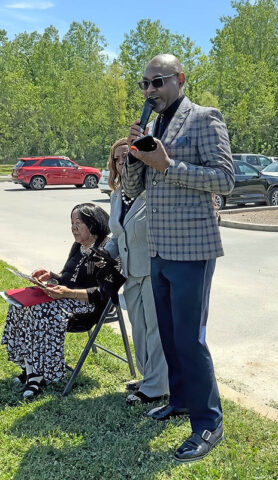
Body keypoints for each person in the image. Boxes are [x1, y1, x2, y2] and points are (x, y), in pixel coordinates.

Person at [122, 54, 235, 462]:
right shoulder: (152, 126)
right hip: (158, 248)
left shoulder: (205, 118)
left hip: (192, 248)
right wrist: (132, 157)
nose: (150, 90)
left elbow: (225, 180)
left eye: (158, 81)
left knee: (191, 337)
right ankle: (181, 400)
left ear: (180, 80)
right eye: (145, 84)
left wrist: (168, 165)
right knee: (170, 335)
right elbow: (136, 188)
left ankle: (209, 423)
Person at [1, 203, 111, 399]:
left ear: (93, 224)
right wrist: (51, 275)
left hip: (89, 305)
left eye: (78, 223)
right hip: (66, 297)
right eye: (71, 223)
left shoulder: (106, 249)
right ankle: (30, 366)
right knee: (19, 303)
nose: (73, 228)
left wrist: (68, 292)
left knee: (40, 311)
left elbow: (105, 291)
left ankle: (38, 376)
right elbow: (67, 275)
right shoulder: (78, 245)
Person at [103, 138, 169, 405]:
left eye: (126, 157)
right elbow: (118, 236)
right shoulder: (117, 195)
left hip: (153, 271)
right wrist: (103, 254)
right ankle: (149, 377)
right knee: (138, 329)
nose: (122, 162)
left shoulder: (149, 191)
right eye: (117, 159)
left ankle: (157, 387)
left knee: (156, 330)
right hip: (130, 274)